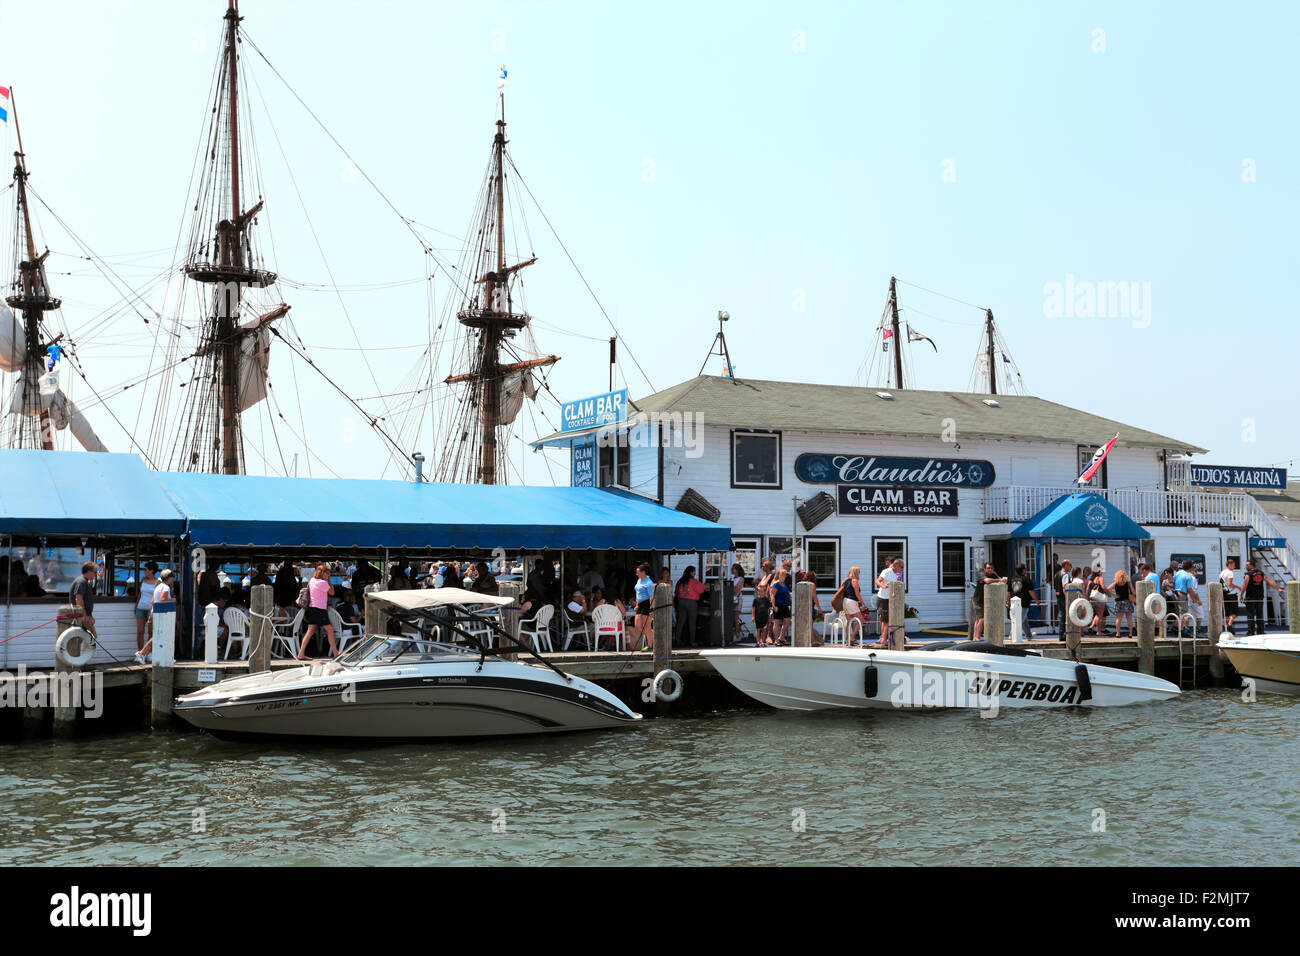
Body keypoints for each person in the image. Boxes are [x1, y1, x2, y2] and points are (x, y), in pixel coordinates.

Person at [298, 563, 339, 659]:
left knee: (310, 632)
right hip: (320, 610)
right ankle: (335, 652)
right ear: (322, 573)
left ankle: (301, 653)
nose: (328, 575)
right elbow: (332, 593)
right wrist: (329, 580)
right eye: (327, 573)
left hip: (312, 608)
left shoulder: (312, 580)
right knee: (330, 630)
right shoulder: (323, 583)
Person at [136, 569, 176, 663]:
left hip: (155, 613)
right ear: (168, 578)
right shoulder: (166, 587)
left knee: (159, 635)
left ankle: (165, 656)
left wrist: (151, 614)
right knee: (159, 635)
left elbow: (152, 601)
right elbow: (162, 600)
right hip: (162, 615)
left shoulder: (158, 587)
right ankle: (142, 653)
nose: (173, 580)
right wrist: (173, 600)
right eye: (172, 578)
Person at [1242, 563, 1283, 636]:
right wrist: (1278, 588)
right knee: (1259, 614)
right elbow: (1269, 581)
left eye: (1247, 565)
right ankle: (1260, 631)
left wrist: (1241, 595)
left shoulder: (1248, 574)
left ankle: (1251, 631)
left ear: (1252, 565)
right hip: (1260, 596)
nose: (1246, 566)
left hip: (1250, 597)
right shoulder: (1261, 573)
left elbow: (1245, 585)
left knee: (1250, 615)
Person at [673, 565, 707, 648]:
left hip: (681, 602)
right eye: (694, 571)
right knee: (692, 623)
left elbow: (676, 593)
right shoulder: (693, 581)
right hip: (691, 602)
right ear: (691, 572)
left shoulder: (680, 581)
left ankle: (677, 640)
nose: (695, 573)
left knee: (680, 623)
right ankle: (692, 642)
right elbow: (702, 589)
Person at [970, 562, 1005, 641]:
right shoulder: (982, 574)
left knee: (979, 619)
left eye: (992, 568)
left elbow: (1001, 580)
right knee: (982, 619)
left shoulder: (993, 574)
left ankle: (975, 637)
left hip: (984, 600)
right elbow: (988, 581)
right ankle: (977, 638)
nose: (990, 570)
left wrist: (1000, 578)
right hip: (978, 600)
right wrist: (999, 580)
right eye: (988, 568)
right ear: (984, 569)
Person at [876, 558, 905, 647]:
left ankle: (883, 638)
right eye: (901, 567)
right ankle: (884, 639)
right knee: (886, 620)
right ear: (896, 566)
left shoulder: (895, 575)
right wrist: (884, 586)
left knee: (884, 620)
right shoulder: (887, 571)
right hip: (883, 598)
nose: (902, 569)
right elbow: (877, 581)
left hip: (889, 599)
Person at [69, 561, 99, 647]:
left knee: (88, 637)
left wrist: (89, 614)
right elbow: (78, 598)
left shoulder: (83, 581)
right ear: (89, 572)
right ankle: (82, 657)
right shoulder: (81, 582)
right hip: (80, 616)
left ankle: (82, 657)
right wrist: (84, 615)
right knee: (90, 637)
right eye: (95, 572)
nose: (96, 574)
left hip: (84, 615)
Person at [135, 561, 159, 652]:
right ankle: (140, 652)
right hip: (140, 608)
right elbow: (140, 594)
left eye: (145, 569)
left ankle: (147, 653)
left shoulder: (158, 582)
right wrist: (136, 606)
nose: (144, 571)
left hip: (151, 609)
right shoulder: (143, 580)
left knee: (150, 632)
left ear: (151, 570)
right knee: (140, 632)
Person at [838, 566, 867, 643]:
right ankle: (852, 638)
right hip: (852, 601)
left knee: (849, 621)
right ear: (856, 572)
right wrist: (863, 604)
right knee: (861, 620)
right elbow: (857, 594)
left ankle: (848, 640)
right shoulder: (855, 581)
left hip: (845, 601)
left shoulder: (846, 581)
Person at [1007, 563, 1037, 638]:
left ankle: (1029, 635)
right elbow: (1031, 591)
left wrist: (1008, 601)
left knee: (1024, 620)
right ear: (1023, 570)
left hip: (1014, 602)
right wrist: (1037, 600)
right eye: (1025, 569)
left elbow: (1009, 592)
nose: (1026, 571)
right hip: (1024, 602)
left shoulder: (1012, 579)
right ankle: (1012, 635)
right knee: (1020, 620)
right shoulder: (1026, 579)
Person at [1172, 560, 1200, 635]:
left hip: (1175, 594)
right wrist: (1194, 599)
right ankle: (1180, 631)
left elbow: (1173, 584)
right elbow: (1189, 589)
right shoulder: (1189, 576)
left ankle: (1176, 627)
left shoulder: (1178, 573)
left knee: (1178, 612)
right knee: (1183, 613)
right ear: (1190, 568)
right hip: (1182, 594)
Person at [632, 563, 655, 651]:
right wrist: (637, 604)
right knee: (637, 626)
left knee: (647, 627)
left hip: (647, 604)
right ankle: (652, 636)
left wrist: (651, 609)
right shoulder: (639, 580)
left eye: (638, 572)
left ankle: (649, 645)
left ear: (643, 572)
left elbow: (651, 596)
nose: (636, 574)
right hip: (640, 604)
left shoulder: (649, 582)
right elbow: (638, 593)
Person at [769, 569, 792, 645]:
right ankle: (776, 640)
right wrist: (773, 606)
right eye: (782, 575)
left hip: (785, 605)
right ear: (778, 575)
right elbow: (772, 596)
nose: (784, 576)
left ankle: (781, 637)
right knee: (777, 623)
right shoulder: (776, 584)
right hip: (778, 605)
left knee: (787, 621)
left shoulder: (784, 584)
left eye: (785, 575)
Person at [1111, 569, 1135, 638]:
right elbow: (1134, 592)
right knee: (1129, 618)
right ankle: (1130, 634)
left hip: (1118, 602)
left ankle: (1118, 634)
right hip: (1127, 602)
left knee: (1119, 618)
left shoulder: (1115, 583)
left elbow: (1107, 589)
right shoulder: (1128, 583)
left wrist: (1113, 595)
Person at [1087, 568, 1111, 635]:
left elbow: (1088, 589)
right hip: (1100, 598)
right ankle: (1099, 631)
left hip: (1093, 598)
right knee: (1100, 615)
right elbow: (1103, 587)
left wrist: (1088, 597)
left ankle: (1091, 626)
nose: (1102, 572)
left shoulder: (1092, 579)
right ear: (1098, 572)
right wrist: (1108, 593)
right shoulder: (1100, 578)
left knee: (1097, 615)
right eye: (1101, 571)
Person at [1219, 559, 1240, 635]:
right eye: (1234, 565)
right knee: (1235, 611)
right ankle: (1229, 625)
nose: (1234, 566)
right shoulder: (1230, 573)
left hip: (1224, 593)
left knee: (1226, 612)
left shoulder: (1222, 572)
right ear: (1230, 565)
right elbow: (1229, 583)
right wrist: (1238, 587)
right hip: (1231, 593)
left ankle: (1227, 627)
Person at [1055, 560, 1073, 635]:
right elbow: (1064, 587)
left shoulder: (1057, 574)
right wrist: (1068, 598)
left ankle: (1061, 632)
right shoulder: (1065, 575)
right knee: (1063, 615)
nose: (1071, 567)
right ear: (1065, 565)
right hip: (1063, 597)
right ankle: (1062, 633)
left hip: (1058, 596)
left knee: (1061, 614)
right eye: (1070, 565)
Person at [751, 581, 772, 645]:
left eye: (762, 591)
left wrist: (769, 615)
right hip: (758, 617)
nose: (760, 593)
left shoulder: (766, 600)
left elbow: (769, 608)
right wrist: (753, 616)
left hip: (765, 617)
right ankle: (757, 641)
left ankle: (762, 641)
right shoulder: (756, 600)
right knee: (758, 629)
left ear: (765, 592)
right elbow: (753, 608)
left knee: (764, 630)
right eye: (759, 591)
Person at [730, 563, 746, 639]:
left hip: (738, 598)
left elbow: (736, 589)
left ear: (737, 570)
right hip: (732, 599)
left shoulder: (741, 579)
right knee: (733, 616)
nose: (733, 570)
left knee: (736, 616)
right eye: (732, 568)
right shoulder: (732, 578)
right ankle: (737, 632)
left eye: (734, 568)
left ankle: (737, 632)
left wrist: (730, 588)